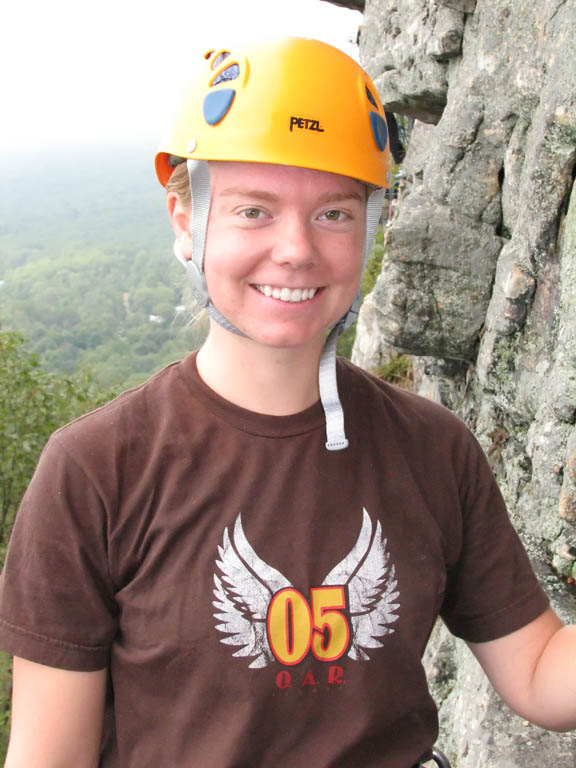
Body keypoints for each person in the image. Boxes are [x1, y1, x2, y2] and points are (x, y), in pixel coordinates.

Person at [0, 36, 574, 768]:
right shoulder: (97, 470)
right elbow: (51, 756)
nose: (297, 250)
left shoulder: (432, 449)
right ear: (186, 219)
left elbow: (535, 670)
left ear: (369, 227)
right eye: (252, 212)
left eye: (334, 213)